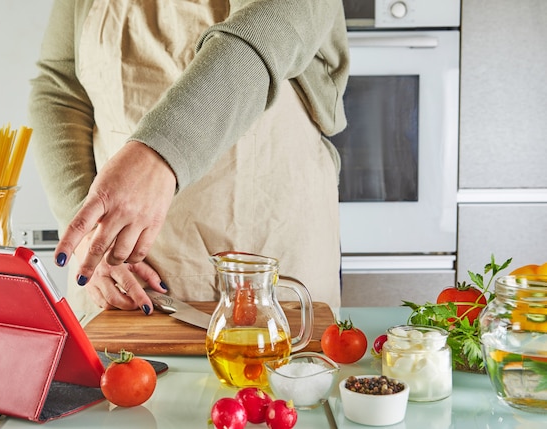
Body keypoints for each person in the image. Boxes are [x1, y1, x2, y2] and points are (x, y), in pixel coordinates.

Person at [29, 0, 349, 319]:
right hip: (120, 281)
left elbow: (268, 31)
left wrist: (160, 154)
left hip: (271, 248)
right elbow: (60, 88)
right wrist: (85, 232)